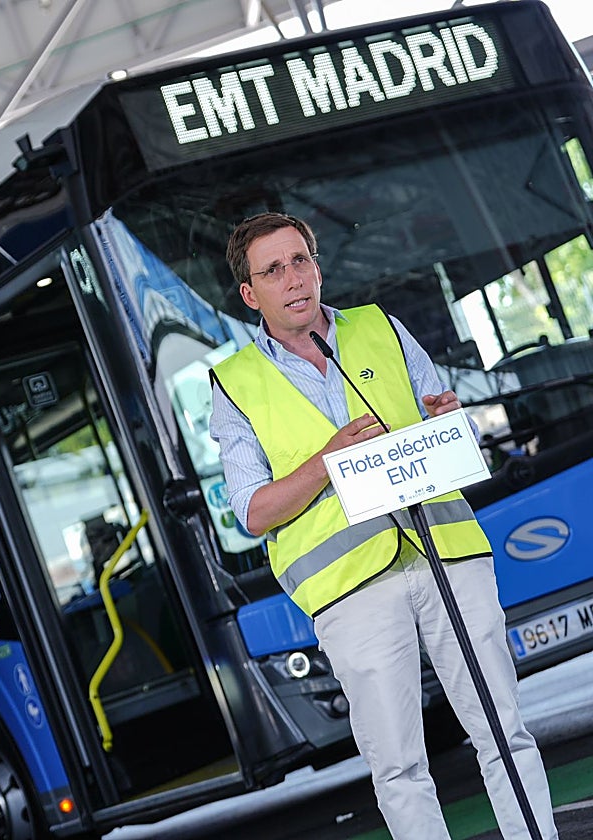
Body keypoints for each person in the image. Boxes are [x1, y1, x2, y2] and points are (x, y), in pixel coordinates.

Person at [208, 213, 557, 840]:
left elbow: (448, 430)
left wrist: (451, 419)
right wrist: (328, 460)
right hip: (352, 593)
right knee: (398, 765)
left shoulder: (382, 329)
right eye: (273, 270)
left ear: (317, 266)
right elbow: (254, 511)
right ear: (249, 293)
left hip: (446, 555)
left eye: (301, 260)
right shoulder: (234, 386)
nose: (293, 278)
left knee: (503, 728)